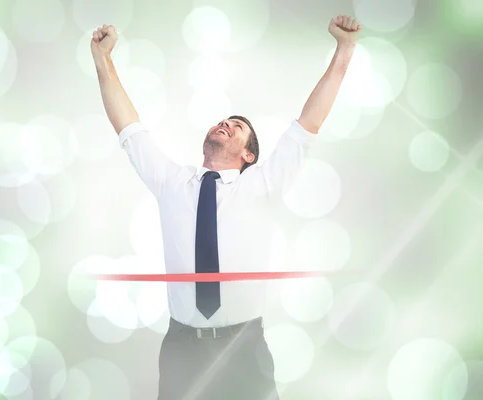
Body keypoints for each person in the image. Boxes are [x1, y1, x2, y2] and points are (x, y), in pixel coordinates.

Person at [90, 15, 361, 400]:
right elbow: (129, 129)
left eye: (237, 125)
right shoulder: (172, 182)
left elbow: (309, 123)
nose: (226, 123)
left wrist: (344, 49)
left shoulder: (262, 185)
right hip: (183, 348)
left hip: (242, 349)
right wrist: (103, 58)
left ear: (248, 154)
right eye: (223, 120)